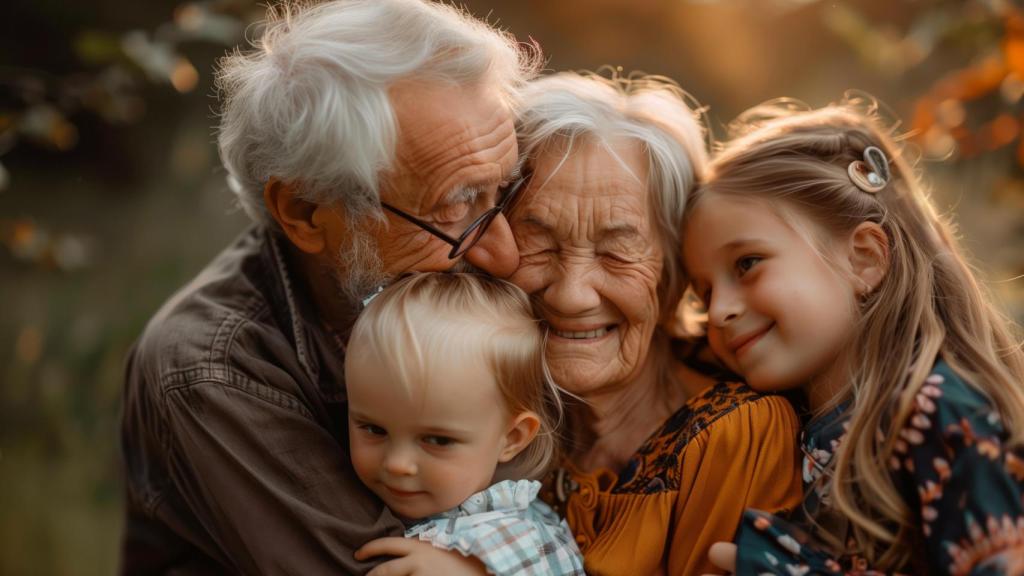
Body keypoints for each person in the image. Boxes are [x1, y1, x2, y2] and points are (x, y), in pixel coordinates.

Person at [118, 0, 541, 573]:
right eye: (455, 206)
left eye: (500, 193)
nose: (506, 254)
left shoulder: (462, 293)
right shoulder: (213, 371)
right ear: (307, 212)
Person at [681, 101, 1024, 574]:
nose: (718, 312)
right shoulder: (773, 424)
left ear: (863, 258)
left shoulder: (936, 415)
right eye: (702, 293)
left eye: (747, 264)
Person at [505, 71, 804, 575]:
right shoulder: (480, 405)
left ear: (677, 274)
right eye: (539, 243)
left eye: (616, 251)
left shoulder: (734, 437)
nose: (571, 293)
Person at [344, 272, 585, 575]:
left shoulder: (523, 537)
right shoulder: (346, 498)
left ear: (512, 437)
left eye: (437, 440)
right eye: (374, 429)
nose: (397, 464)